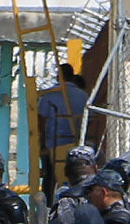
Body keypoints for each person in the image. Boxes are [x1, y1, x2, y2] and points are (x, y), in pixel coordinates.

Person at [35, 43, 95, 197]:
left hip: (54, 144)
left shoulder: (50, 95)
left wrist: (40, 144)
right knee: (76, 176)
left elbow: (41, 120)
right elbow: (91, 120)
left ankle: (49, 206)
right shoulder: (83, 96)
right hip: (77, 144)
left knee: (51, 177)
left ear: (58, 76)